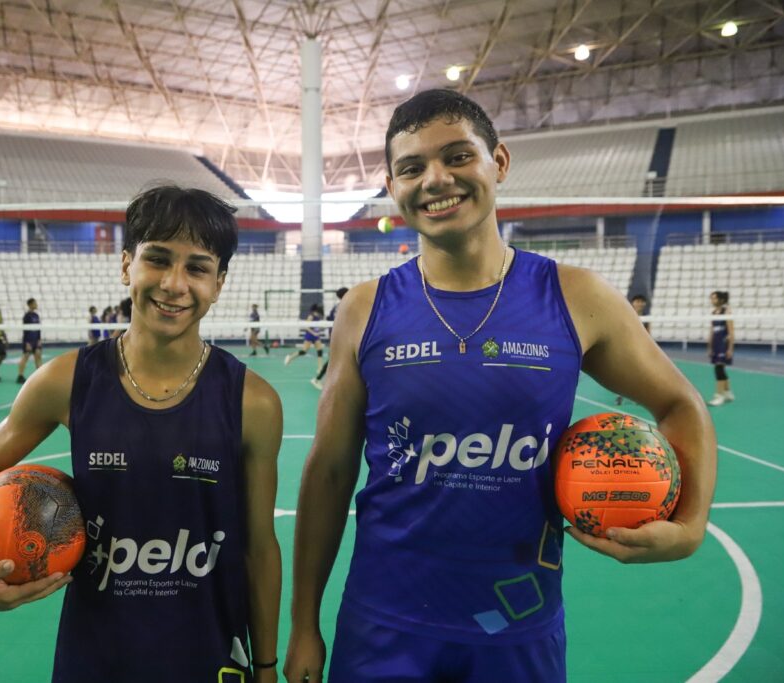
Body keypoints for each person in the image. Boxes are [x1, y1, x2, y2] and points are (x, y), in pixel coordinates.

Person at [284, 89, 716, 683]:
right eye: (412, 167)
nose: (436, 179)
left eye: (458, 156)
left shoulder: (575, 297)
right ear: (392, 186)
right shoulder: (365, 309)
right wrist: (304, 625)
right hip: (383, 626)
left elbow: (679, 403)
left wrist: (690, 528)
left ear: (500, 163)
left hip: (518, 628)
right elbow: (330, 470)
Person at [0, 185, 282, 683]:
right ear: (127, 264)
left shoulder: (252, 402)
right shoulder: (64, 382)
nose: (174, 284)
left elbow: (259, 547)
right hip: (97, 659)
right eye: (158, 259)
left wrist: (268, 665)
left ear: (219, 283)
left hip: (209, 655)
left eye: (196, 267)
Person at [615, 294, 650, 406]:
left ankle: (638, 397)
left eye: (641, 301)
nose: (639, 304)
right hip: (627, 349)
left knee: (639, 374)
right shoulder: (626, 315)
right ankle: (620, 396)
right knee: (624, 374)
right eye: (637, 301)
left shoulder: (647, 317)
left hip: (640, 349)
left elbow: (648, 334)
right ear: (633, 302)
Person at [310, 288, 348, 390]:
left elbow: (329, 320)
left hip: (335, 335)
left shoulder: (336, 307)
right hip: (342, 336)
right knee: (336, 359)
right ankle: (317, 379)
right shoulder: (346, 304)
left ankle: (321, 379)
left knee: (339, 358)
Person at [706, 290, 734, 406]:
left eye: (714, 298)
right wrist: (709, 346)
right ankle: (727, 393)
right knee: (721, 368)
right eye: (711, 298)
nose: (712, 301)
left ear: (720, 300)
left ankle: (719, 395)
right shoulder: (713, 313)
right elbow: (712, 331)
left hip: (724, 344)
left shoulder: (726, 312)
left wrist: (730, 348)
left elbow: (731, 331)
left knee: (719, 369)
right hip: (716, 344)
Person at [284, 303, 324, 369]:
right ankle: (290, 357)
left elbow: (316, 326)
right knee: (304, 351)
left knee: (320, 351)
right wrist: (313, 333)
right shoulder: (311, 316)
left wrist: (320, 328)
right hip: (310, 335)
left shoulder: (318, 316)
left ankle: (320, 368)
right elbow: (306, 326)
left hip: (316, 336)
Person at [16, 298, 43, 384]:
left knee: (38, 355)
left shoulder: (36, 315)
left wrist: (39, 339)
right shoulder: (27, 316)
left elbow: (39, 328)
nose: (36, 304)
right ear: (30, 305)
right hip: (28, 340)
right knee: (26, 356)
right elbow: (25, 330)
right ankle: (20, 375)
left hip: (36, 340)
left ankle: (39, 375)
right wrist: (27, 342)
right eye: (35, 303)